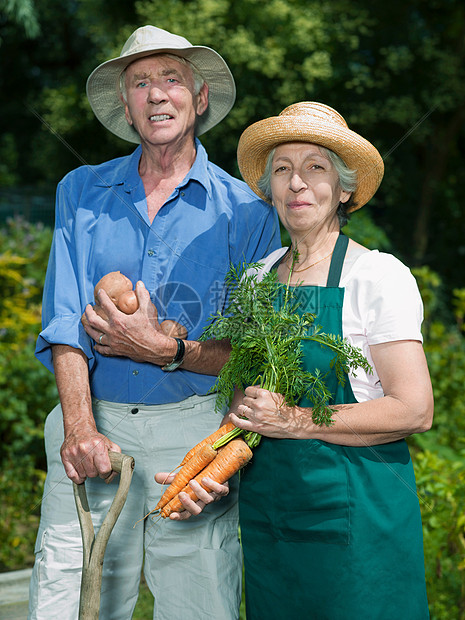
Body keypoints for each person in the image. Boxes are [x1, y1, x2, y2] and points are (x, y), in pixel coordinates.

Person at [28, 25, 281, 620]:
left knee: (202, 607)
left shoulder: (248, 209)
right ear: (126, 105)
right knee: (67, 601)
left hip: (193, 434)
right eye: (140, 82)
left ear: (199, 99)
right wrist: (80, 427)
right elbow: (65, 320)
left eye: (172, 79)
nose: (157, 95)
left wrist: (172, 352)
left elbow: (253, 352)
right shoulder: (82, 190)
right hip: (94, 424)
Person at [220, 102, 432, 618]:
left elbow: (413, 410)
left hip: (357, 519)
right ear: (268, 188)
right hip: (271, 517)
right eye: (283, 169)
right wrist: (214, 456)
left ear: (343, 190)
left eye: (316, 168)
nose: (297, 183)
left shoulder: (377, 276)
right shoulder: (256, 279)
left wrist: (292, 421)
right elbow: (241, 398)